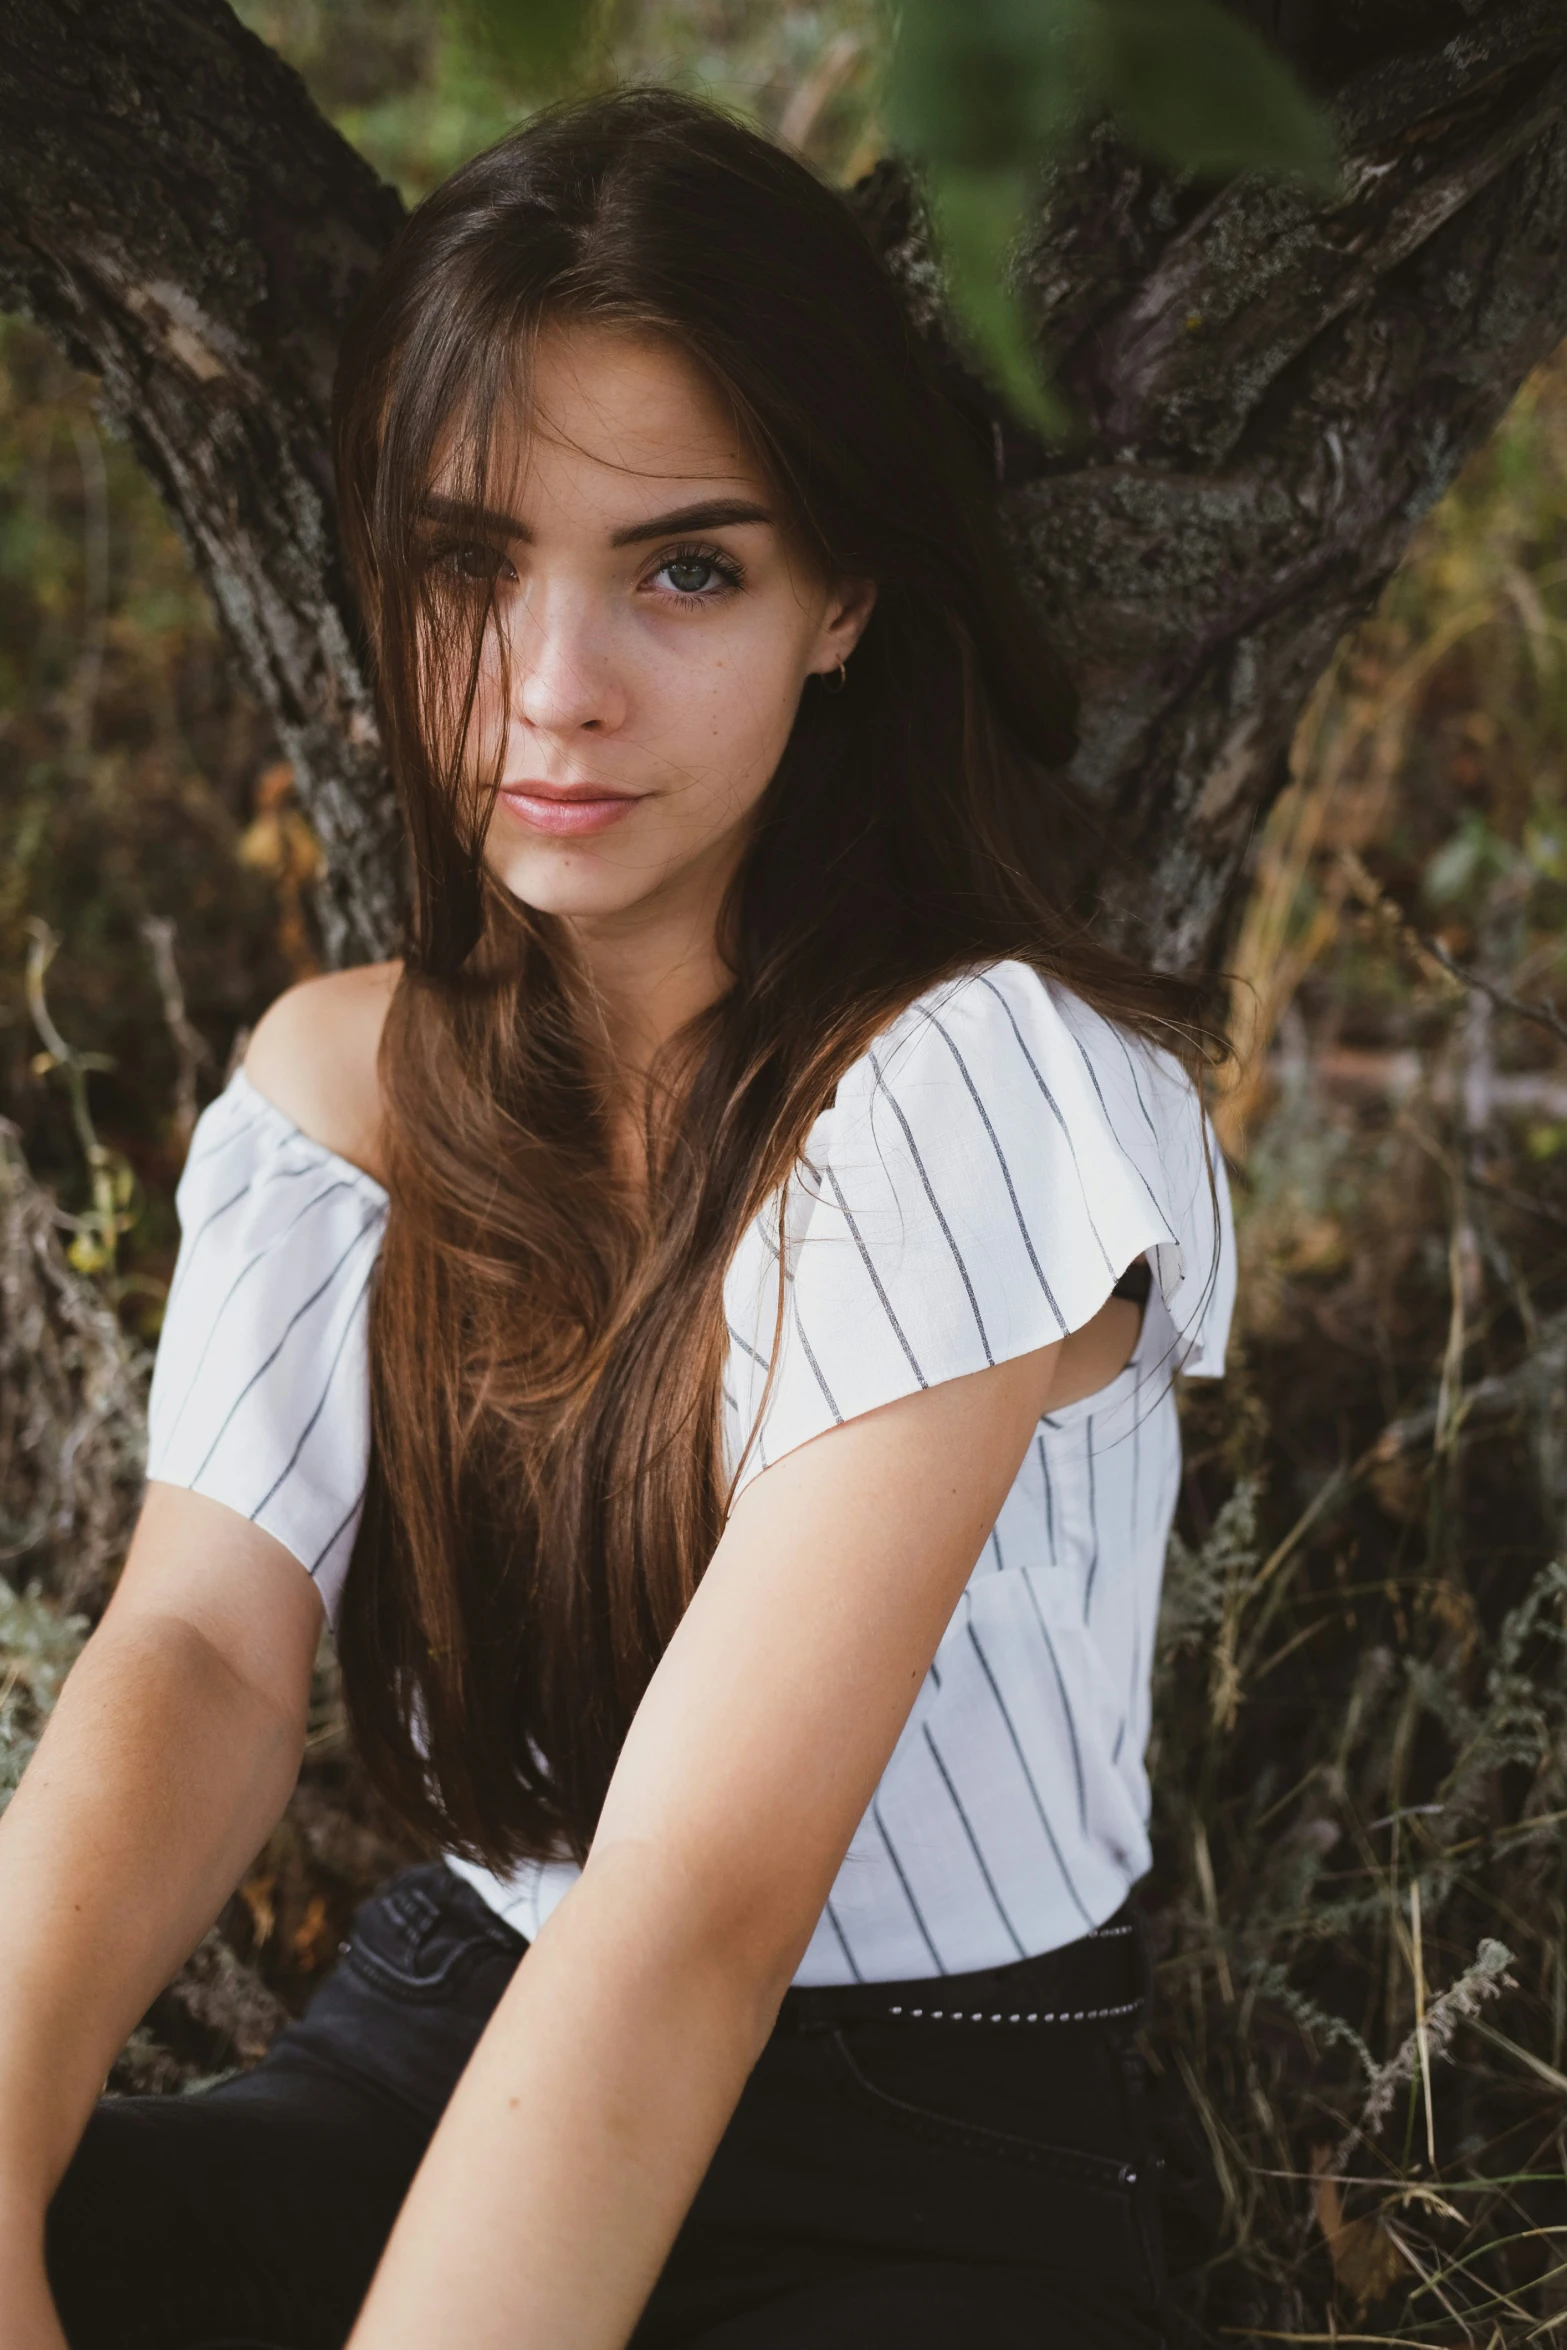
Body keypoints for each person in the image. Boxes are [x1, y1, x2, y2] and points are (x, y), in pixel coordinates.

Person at [0, 89, 1234, 2350]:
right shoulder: (339, 1089)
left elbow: (694, 1911)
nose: (553, 689)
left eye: (686, 566)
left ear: (843, 593)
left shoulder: (980, 1084)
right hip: (454, 2029)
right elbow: (197, 1647)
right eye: (472, 566)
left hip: (924, 2160)